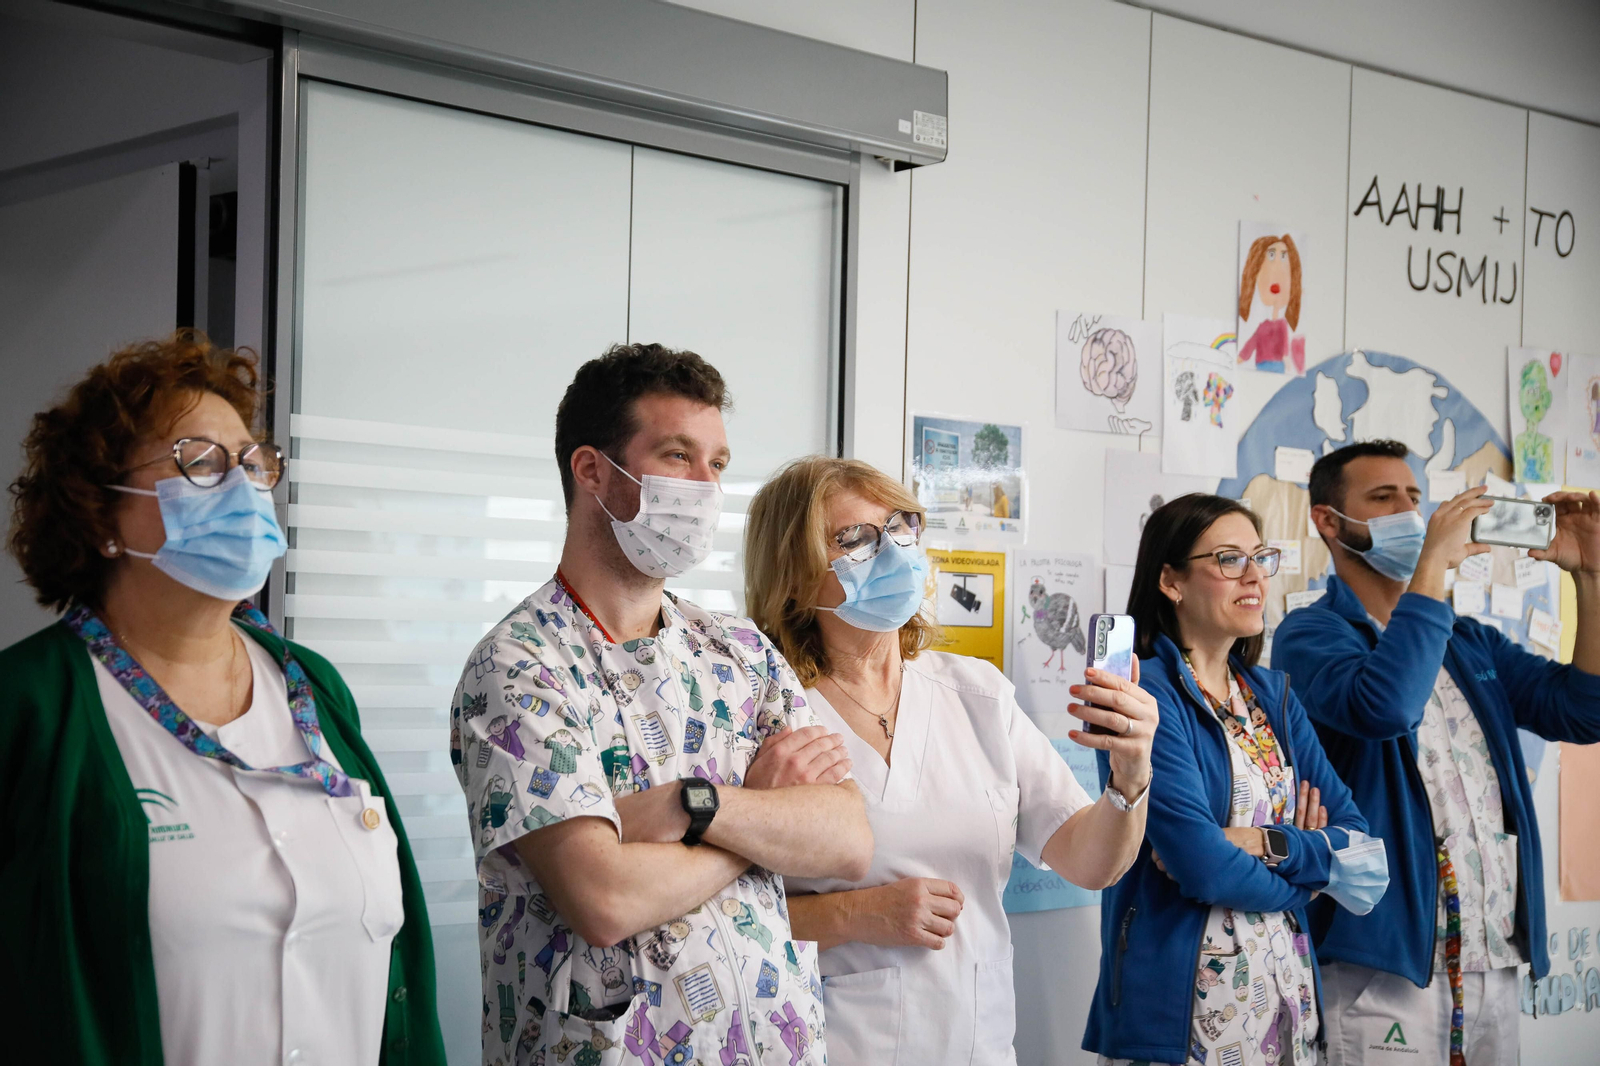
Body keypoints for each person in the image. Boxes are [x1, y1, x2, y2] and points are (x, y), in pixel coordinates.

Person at [0, 332, 444, 1066]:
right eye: (200, 464)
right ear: (101, 516)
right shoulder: (32, 707)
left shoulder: (312, 686)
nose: (243, 484)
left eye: (251, 462)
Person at [451, 343, 873, 1066]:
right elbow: (604, 898)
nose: (705, 486)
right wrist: (752, 820)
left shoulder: (738, 650)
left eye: (717, 463)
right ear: (592, 471)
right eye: (678, 456)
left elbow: (848, 839)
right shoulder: (521, 665)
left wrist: (688, 806)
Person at [742, 456, 1154, 1065]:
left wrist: (1130, 775)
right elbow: (715, 917)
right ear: (795, 575)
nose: (892, 551)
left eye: (902, 526)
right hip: (831, 1043)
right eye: (854, 538)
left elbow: (1091, 862)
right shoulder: (764, 712)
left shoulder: (977, 693)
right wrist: (855, 913)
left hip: (977, 1043)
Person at [1274, 441, 1600, 1065]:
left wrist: (1591, 576)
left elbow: (1584, 711)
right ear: (1327, 521)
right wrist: (1432, 568)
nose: (1408, 511)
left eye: (1414, 498)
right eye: (1382, 498)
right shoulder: (1309, 635)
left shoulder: (1469, 640)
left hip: (1491, 953)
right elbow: (1387, 706)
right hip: (1386, 966)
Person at [1085, 494, 1386, 1066]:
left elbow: (1362, 850)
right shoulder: (1142, 696)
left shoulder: (1274, 698)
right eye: (1228, 559)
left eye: (1260, 557)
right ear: (1171, 582)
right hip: (1184, 1021)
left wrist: (1266, 842)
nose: (1254, 576)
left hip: (1287, 1003)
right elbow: (1201, 865)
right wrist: (1312, 876)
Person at [1236, 233, 1305, 374]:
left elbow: (1285, 344)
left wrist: (1286, 359)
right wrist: (1239, 359)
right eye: (1271, 255)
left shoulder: (1282, 326)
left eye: (1283, 256)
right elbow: (1252, 343)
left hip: (1276, 366)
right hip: (1261, 366)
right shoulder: (1262, 327)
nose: (1277, 270)